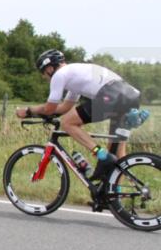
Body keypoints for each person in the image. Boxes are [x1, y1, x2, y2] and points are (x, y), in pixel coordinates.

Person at [16, 50, 142, 181]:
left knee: (67, 123)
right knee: (116, 153)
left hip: (111, 95)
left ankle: (100, 154)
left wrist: (28, 111)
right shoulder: (74, 74)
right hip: (130, 95)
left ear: (49, 68)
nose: (44, 77)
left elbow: (50, 108)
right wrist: (43, 113)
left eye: (43, 73)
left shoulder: (59, 75)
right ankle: (115, 196)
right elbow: (65, 107)